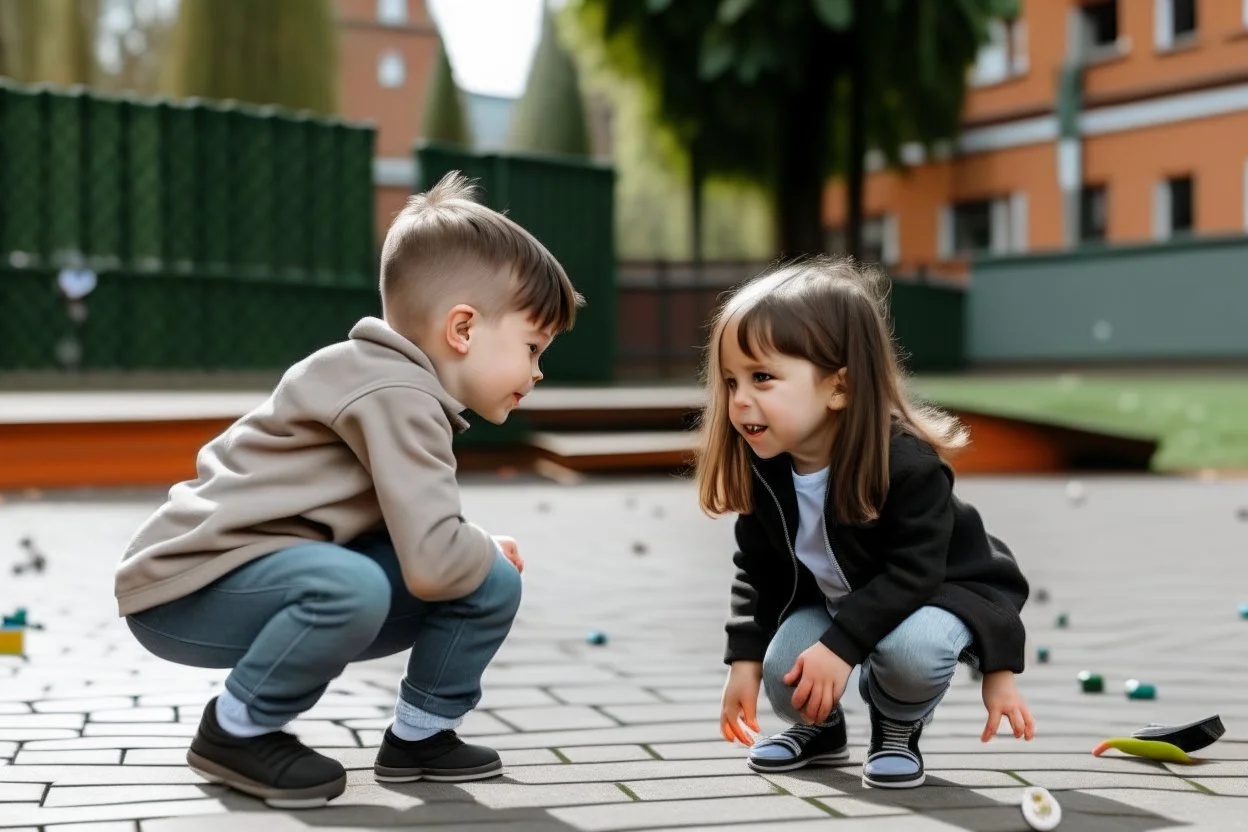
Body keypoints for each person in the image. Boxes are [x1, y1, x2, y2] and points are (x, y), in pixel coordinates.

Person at [114, 171, 583, 808]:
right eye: (533, 346)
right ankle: (235, 730)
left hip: (264, 573)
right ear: (464, 329)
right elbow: (436, 562)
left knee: (488, 576)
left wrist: (475, 552)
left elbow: (420, 543)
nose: (537, 370)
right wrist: (470, 549)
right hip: (186, 590)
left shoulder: (398, 385)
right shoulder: (396, 393)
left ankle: (421, 739)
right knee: (364, 582)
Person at [698, 257, 1034, 790]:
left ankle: (897, 726)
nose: (740, 401)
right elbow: (756, 570)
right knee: (788, 666)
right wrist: (744, 661)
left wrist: (998, 673)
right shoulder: (766, 468)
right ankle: (821, 730)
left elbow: (915, 574)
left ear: (839, 388)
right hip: (845, 600)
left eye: (762, 377)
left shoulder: (905, 465)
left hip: (937, 595)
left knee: (910, 654)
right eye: (731, 381)